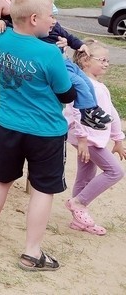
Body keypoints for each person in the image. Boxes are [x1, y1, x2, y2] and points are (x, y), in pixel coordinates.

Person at [0, 0, 75, 272]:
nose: (53, 20)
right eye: (50, 14)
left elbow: (3, 19)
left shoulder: (2, 39)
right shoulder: (49, 53)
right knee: (42, 189)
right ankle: (31, 252)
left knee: (0, 178)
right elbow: (66, 94)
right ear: (33, 19)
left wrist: (3, 18)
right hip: (45, 131)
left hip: (8, 124)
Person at [0, 5, 112, 129]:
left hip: (65, 61)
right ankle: (89, 109)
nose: (54, 20)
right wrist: (1, 21)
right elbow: (16, 25)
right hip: (57, 65)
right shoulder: (35, 32)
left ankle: (91, 111)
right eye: (51, 17)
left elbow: (69, 37)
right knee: (79, 83)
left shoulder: (55, 27)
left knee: (86, 81)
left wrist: (80, 45)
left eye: (54, 16)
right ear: (35, 19)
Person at [63, 40, 125, 236]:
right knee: (114, 171)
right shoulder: (82, 84)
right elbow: (74, 111)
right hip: (87, 138)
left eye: (108, 60)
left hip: (92, 137)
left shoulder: (99, 86)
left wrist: (118, 139)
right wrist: (82, 139)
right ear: (85, 60)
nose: (106, 63)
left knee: (86, 174)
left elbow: (112, 113)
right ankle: (78, 203)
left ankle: (78, 221)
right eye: (102, 59)